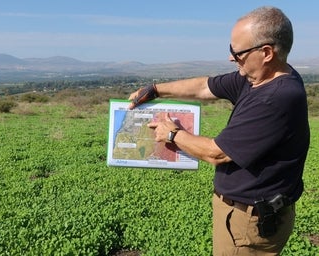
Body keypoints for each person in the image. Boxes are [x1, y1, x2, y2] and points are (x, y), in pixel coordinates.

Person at [127, 6, 310, 256]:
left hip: (250, 222)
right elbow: (205, 87)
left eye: (237, 51)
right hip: (248, 214)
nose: (231, 57)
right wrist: (156, 89)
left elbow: (216, 154)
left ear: (266, 52)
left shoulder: (275, 98)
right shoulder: (259, 78)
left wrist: (172, 134)